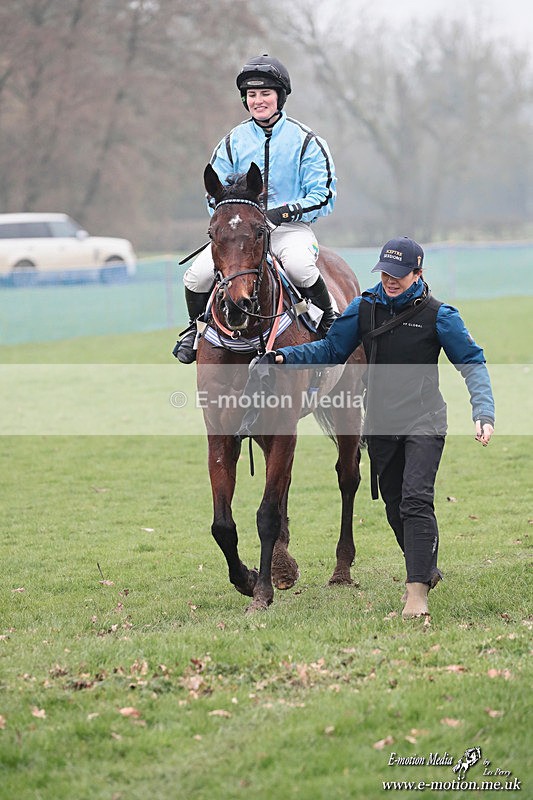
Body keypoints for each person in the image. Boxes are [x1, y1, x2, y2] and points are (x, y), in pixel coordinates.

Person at [272, 236, 495, 619]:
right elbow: (330, 350)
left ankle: (416, 595)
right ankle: (425, 566)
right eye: (385, 273)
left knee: (415, 500)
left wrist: (483, 410)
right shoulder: (363, 309)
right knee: (395, 508)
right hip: (379, 424)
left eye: (398, 274)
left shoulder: (439, 315)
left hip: (424, 420)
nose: (390, 280)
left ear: (417, 273)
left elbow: (472, 361)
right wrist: (283, 356)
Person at [173, 54, 338, 364]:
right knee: (196, 276)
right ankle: (195, 330)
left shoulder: (307, 141)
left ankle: (330, 322)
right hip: (241, 232)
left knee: (300, 267)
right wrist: (232, 219)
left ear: (280, 96)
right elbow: (214, 195)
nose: (258, 100)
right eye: (251, 95)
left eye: (265, 93)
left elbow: (324, 194)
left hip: (288, 228)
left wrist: (283, 212)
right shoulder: (232, 142)